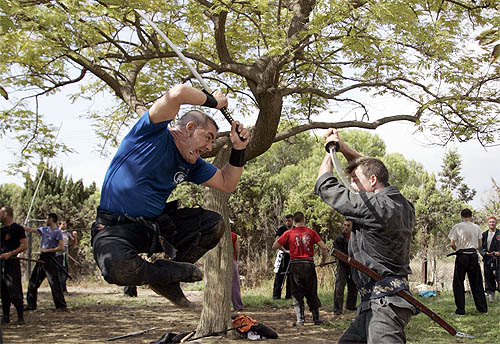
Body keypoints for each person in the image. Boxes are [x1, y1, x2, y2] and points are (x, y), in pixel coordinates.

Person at [91, 84, 250, 308]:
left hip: (153, 228)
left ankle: (169, 277)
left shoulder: (191, 163)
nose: (209, 146)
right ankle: (162, 275)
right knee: (116, 268)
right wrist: (214, 102)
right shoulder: (151, 132)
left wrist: (239, 149)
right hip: (113, 228)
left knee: (213, 224)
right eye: (208, 137)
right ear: (189, 127)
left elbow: (227, 183)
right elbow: (177, 94)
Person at [315, 128, 417, 344]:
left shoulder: (375, 207)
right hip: (375, 304)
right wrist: (342, 147)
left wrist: (330, 151)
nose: (351, 184)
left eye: (354, 179)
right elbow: (370, 165)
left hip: (384, 308)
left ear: (372, 181)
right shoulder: (403, 204)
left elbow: (326, 186)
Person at [272, 211, 328, 326]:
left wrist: (286, 250)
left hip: (295, 264)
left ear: (294, 221)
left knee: (297, 292)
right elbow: (324, 247)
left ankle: (300, 320)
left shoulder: (289, 233)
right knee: (311, 291)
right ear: (304, 219)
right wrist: (323, 261)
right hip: (308, 264)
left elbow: (275, 246)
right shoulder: (311, 232)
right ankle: (316, 318)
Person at [24, 213, 67, 311]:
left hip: (50, 259)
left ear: (51, 219)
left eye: (46, 219)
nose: (45, 220)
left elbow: (61, 247)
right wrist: (20, 227)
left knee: (54, 283)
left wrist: (47, 250)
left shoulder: (58, 232)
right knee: (33, 281)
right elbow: (31, 230)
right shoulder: (44, 229)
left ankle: (61, 306)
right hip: (41, 258)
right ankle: (31, 305)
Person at [448, 208, 488, 315]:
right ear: (471, 216)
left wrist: (457, 249)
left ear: (461, 216)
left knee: (458, 283)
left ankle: (460, 310)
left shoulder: (457, 227)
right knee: (477, 283)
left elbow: (452, 243)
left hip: (462, 256)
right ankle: (483, 309)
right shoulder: (477, 227)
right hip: (473, 255)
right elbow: (479, 245)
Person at [0, 206, 28, 325]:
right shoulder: (1, 230)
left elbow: (24, 245)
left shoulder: (18, 229)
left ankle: (20, 317)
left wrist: (10, 254)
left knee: (14, 290)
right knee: (3, 290)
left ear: (6, 214)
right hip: (2, 263)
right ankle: (5, 316)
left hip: (12, 262)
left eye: (0, 213)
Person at [333, 219, 357, 315]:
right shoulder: (339, 238)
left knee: (353, 286)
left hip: (354, 265)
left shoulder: (356, 238)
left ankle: (350, 306)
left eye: (348, 225)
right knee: (339, 286)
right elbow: (336, 251)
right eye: (345, 225)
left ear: (352, 226)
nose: (346, 227)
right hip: (342, 265)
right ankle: (337, 309)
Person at [272, 214, 293, 300]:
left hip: (292, 255)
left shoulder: (295, 229)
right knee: (279, 274)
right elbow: (277, 241)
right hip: (283, 254)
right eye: (286, 221)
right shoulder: (281, 229)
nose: (288, 222)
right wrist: (285, 250)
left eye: (289, 221)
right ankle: (276, 295)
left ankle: (289, 295)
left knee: (291, 275)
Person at [480, 216, 500, 302]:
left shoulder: (499, 233)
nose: (492, 223)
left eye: (493, 222)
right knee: (488, 277)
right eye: (490, 222)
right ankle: (491, 296)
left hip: (498, 259)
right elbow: (480, 247)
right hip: (488, 259)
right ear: (488, 223)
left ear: (496, 223)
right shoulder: (484, 234)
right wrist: (485, 253)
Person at [56, 220, 76, 293]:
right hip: (57, 254)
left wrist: (75, 236)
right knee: (59, 272)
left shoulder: (67, 233)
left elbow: (74, 243)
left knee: (65, 271)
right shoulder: (56, 232)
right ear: (59, 225)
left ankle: (63, 289)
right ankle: (60, 289)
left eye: (65, 224)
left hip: (65, 255)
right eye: (63, 224)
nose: (65, 225)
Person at [231, 232, 244, 312]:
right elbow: (237, 250)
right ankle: (238, 306)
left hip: (219, 262)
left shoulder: (216, 234)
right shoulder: (234, 235)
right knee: (235, 285)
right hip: (232, 260)